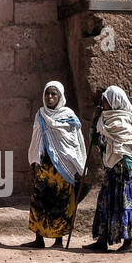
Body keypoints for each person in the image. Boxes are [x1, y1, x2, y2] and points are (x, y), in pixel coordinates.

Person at [86, 85, 132, 253]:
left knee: (126, 203)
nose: (102, 104)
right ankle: (102, 240)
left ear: (115, 101)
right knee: (106, 203)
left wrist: (101, 135)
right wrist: (94, 121)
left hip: (126, 171)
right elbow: (95, 140)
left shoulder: (125, 121)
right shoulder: (103, 120)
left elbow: (122, 143)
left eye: (105, 101)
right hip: (112, 169)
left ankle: (128, 243)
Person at [23, 80, 86, 248]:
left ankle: (58, 240)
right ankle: (39, 239)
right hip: (45, 166)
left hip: (63, 168)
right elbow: (36, 140)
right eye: (47, 94)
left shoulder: (69, 116)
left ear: (60, 96)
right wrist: (34, 163)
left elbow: (76, 143)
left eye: (53, 94)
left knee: (61, 203)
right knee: (39, 202)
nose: (50, 97)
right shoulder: (40, 115)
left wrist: (78, 164)